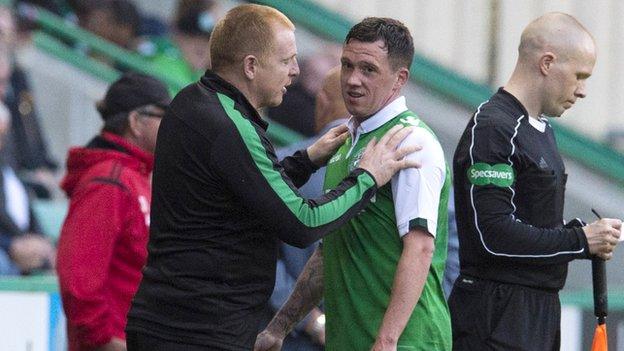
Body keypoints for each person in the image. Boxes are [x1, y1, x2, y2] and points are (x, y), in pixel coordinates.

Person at [125, 5, 419, 351]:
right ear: (251, 66)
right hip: (197, 333)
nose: (294, 73)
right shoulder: (228, 125)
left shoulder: (195, 101)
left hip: (174, 323)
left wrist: (307, 160)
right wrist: (367, 178)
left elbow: (246, 189)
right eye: (286, 61)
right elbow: (301, 222)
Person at [257, 17, 452, 351]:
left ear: (399, 79)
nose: (353, 80)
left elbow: (420, 248)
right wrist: (280, 327)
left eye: (368, 69)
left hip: (405, 343)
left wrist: (387, 341)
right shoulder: (347, 141)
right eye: (347, 65)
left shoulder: (411, 141)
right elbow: (330, 249)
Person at [449, 12, 622, 350]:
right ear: (546, 63)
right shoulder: (494, 127)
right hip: (494, 316)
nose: (583, 90)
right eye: (579, 76)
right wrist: (580, 240)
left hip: (538, 313)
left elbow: (530, 224)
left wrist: (584, 233)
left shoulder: (540, 128)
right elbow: (492, 235)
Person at [56, 73, 171, 351]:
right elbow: (78, 280)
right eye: (164, 116)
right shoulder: (110, 182)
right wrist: (105, 341)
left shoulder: (132, 178)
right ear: (135, 122)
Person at [269, 66, 349, 350]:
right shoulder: (397, 169)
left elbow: (258, 255)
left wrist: (312, 321)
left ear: (322, 103)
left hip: (289, 333)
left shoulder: (278, 163)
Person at [0, 100, 54, 275]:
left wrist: (41, 242)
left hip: (21, 246)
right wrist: (11, 246)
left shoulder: (9, 167)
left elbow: (26, 212)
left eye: (3, 136)